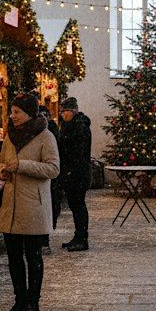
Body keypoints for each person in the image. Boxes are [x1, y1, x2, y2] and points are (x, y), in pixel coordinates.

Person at [0, 93, 60, 311]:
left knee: (33, 257)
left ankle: (33, 303)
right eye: (11, 111)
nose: (12, 116)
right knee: (13, 258)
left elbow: (53, 169)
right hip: (11, 206)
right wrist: (0, 170)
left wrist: (22, 165)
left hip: (33, 205)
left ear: (29, 113)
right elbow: (1, 161)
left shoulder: (45, 137)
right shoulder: (9, 137)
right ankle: (19, 300)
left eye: (17, 112)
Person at [58, 97, 92, 252]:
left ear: (72, 111)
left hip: (77, 174)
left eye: (64, 111)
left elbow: (75, 152)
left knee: (78, 206)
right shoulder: (71, 125)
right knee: (76, 206)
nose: (62, 114)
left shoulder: (79, 127)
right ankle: (78, 236)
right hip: (74, 172)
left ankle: (82, 239)